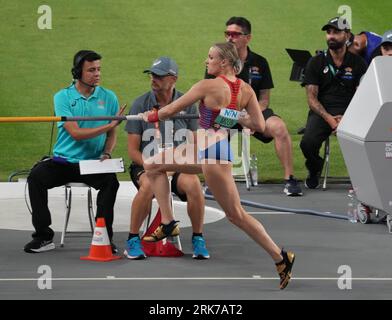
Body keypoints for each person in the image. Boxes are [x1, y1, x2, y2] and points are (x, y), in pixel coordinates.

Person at [141, 42, 295, 290]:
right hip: (205, 146)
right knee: (153, 164)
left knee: (236, 215)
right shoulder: (245, 90)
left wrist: (150, 116)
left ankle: (280, 257)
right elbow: (259, 125)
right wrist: (233, 115)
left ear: (224, 62)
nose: (206, 61)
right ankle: (168, 221)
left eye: (210, 57)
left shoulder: (207, 85)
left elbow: (171, 110)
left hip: (212, 153)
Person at [24, 50, 125, 253]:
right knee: (35, 178)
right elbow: (76, 133)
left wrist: (106, 153)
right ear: (78, 72)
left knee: (110, 183)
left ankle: (104, 236)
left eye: (99, 69)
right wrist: (108, 125)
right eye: (91, 70)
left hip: (92, 164)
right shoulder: (62, 97)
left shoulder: (109, 97)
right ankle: (43, 236)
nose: (97, 74)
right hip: (63, 163)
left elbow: (112, 135)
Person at [124, 56, 209, 260]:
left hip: (178, 165)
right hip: (147, 165)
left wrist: (174, 164)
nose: (153, 79)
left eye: (159, 76)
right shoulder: (139, 104)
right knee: (148, 186)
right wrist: (153, 166)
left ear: (173, 79)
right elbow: (133, 150)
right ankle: (133, 239)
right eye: (152, 75)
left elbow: (195, 144)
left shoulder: (188, 105)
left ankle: (198, 238)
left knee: (194, 184)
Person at [220, 17, 302, 196]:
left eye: (234, 34)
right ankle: (215, 181)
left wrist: (250, 117)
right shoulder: (218, 61)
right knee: (214, 130)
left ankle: (290, 179)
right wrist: (238, 117)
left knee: (279, 128)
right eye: (227, 34)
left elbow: (265, 99)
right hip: (228, 112)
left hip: (254, 112)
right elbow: (211, 99)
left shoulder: (260, 62)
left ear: (247, 38)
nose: (229, 38)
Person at [300, 17, 368, 189]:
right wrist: (330, 118)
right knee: (307, 143)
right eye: (328, 32)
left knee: (368, 140)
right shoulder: (316, 62)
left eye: (336, 32)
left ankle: (364, 178)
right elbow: (311, 98)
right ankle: (315, 167)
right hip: (322, 112)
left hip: (351, 112)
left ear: (347, 35)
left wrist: (347, 117)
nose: (331, 36)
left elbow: (363, 96)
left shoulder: (358, 63)